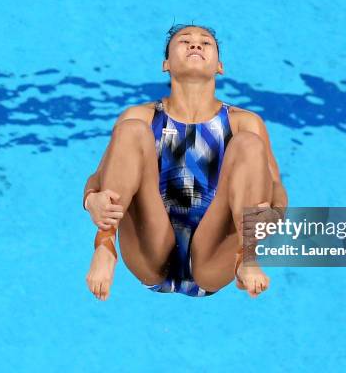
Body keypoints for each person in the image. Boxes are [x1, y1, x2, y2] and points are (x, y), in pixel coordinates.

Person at [83, 23, 288, 300]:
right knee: (131, 129)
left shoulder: (244, 121)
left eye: (206, 43)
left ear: (220, 66)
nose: (195, 45)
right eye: (184, 41)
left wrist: (276, 214)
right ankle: (105, 246)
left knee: (249, 144)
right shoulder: (141, 115)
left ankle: (246, 257)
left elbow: (274, 184)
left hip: (217, 251)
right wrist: (91, 200)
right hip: (150, 245)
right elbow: (99, 176)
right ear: (166, 64)